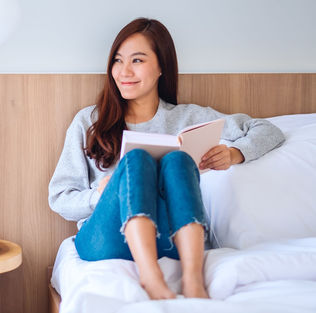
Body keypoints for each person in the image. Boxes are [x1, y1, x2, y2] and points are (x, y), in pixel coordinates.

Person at [48, 18, 285, 300]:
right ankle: (150, 277)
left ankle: (193, 279)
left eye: (137, 60)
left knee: (178, 160)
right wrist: (99, 194)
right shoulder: (90, 121)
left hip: (170, 239)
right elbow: (60, 198)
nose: (124, 71)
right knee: (136, 159)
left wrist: (235, 153)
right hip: (106, 239)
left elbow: (267, 130)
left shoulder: (188, 118)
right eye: (117, 60)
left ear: (161, 67)